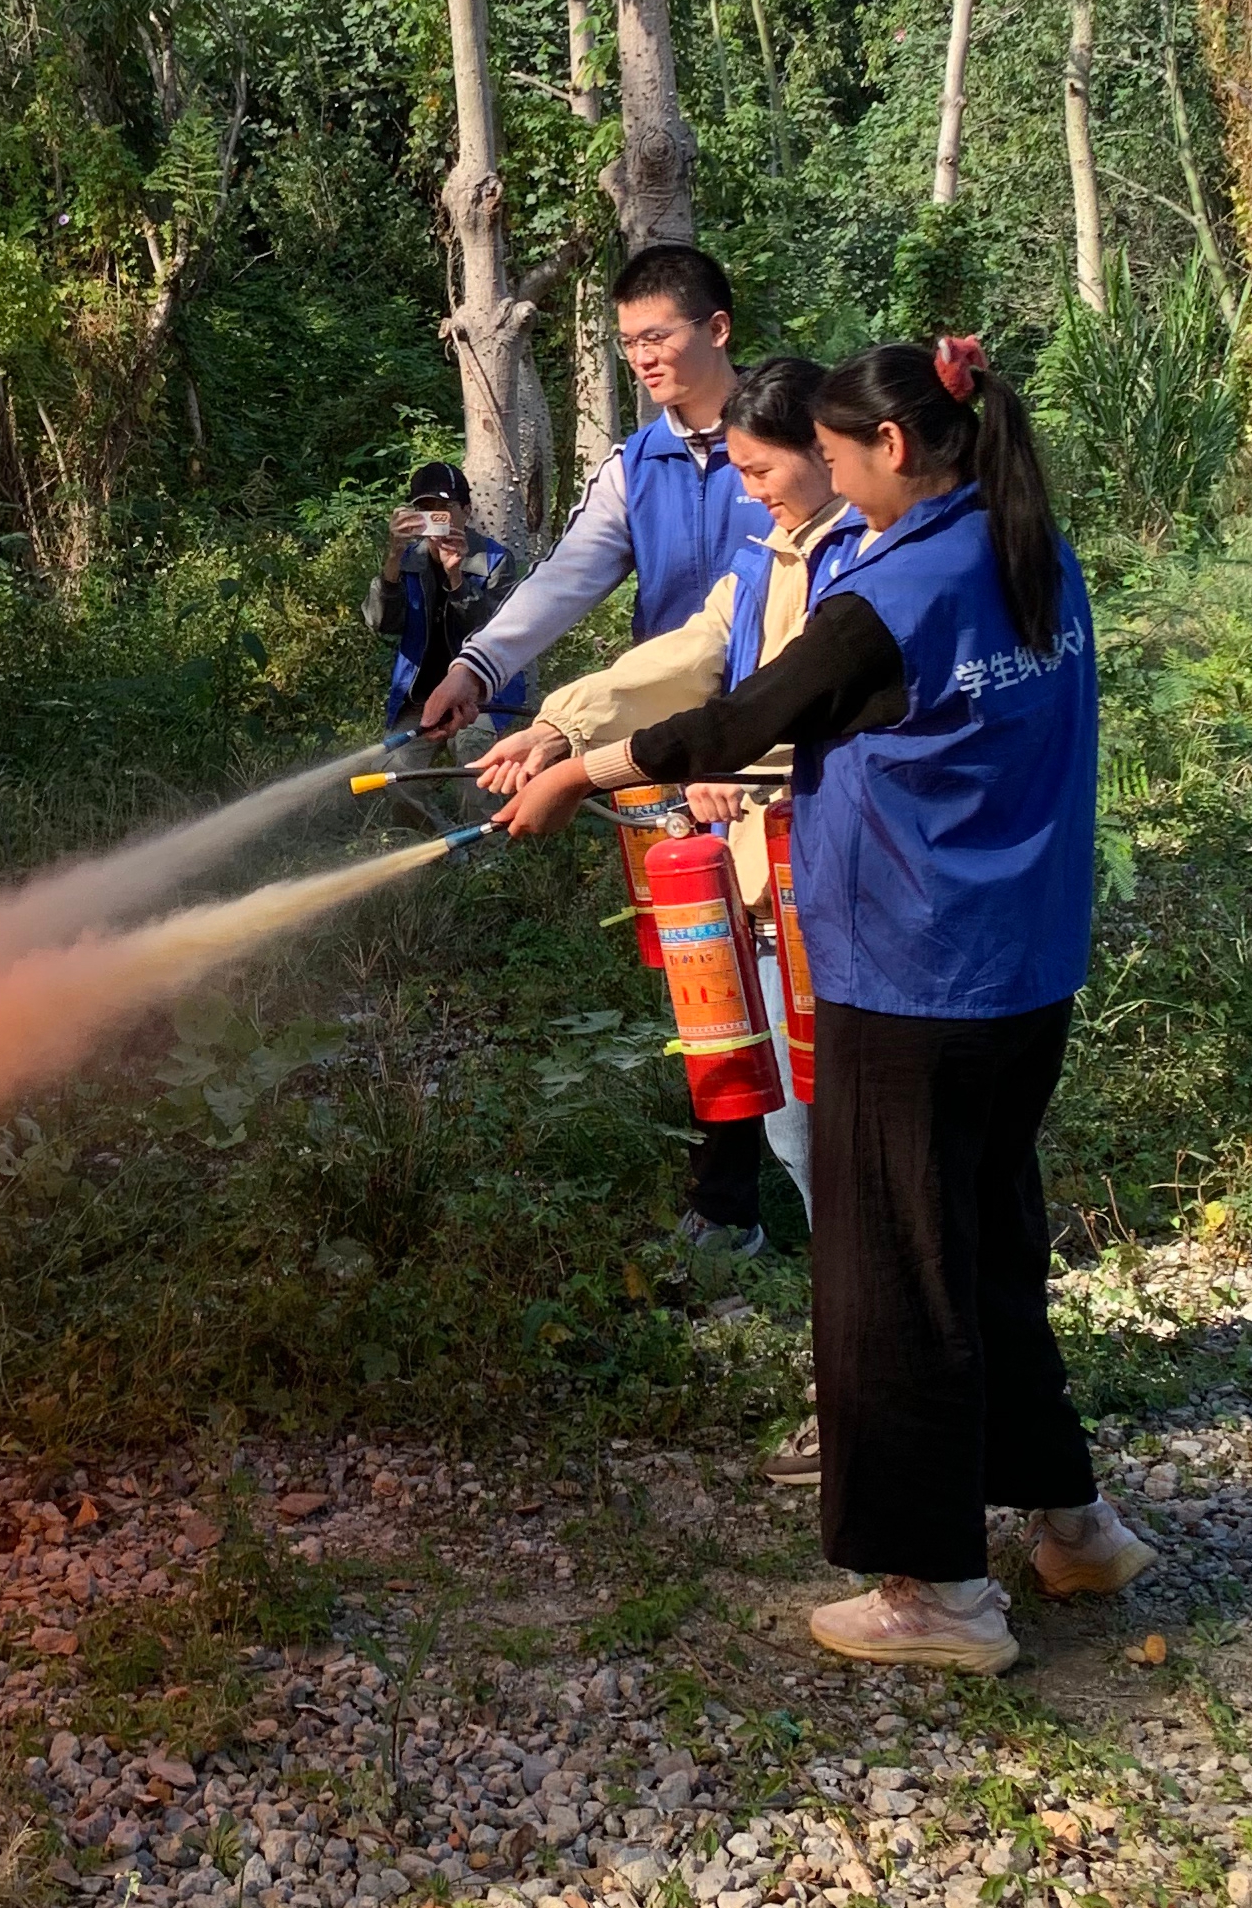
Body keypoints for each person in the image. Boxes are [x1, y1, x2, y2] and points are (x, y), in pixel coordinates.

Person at [492, 336, 1155, 1674]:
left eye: (840, 459)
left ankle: (940, 1591)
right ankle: (1075, 1523)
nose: (832, 485)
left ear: (892, 447)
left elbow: (736, 718)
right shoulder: (1030, 545)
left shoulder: (893, 589)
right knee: (985, 1237)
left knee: (894, 1269)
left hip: (913, 973)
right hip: (1024, 969)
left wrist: (576, 770)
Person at [479, 357, 856, 1263]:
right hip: (772, 878)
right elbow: (690, 655)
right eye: (741, 470)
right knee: (801, 1124)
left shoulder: (865, 563)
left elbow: (772, 712)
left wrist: (588, 771)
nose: (749, 491)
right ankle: (851, 1294)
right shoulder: (767, 559)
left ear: (827, 449)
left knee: (852, 1121)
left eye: (760, 469)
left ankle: (884, 1298)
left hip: (845, 880)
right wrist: (561, 728)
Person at [417, 245, 757, 741]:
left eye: (656, 338)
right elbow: (564, 578)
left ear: (718, 329)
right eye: (629, 342)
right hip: (671, 729)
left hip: (784, 721)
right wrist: (474, 668)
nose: (641, 359)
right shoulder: (634, 467)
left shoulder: (798, 444)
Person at [364, 460, 527, 743]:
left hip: (481, 692)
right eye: (425, 509)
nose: (434, 517)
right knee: (392, 762)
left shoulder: (494, 561)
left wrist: (456, 577)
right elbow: (381, 623)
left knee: (470, 744)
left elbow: (492, 634)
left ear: (466, 510)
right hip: (420, 694)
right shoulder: (408, 559)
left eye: (443, 508)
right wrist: (393, 556)